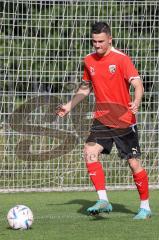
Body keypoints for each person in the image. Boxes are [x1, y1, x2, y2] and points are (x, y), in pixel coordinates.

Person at [56, 22, 151, 219]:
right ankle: (103, 199)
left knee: (134, 164)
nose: (97, 45)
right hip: (101, 119)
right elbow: (85, 88)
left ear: (110, 40)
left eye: (101, 41)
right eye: (94, 41)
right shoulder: (89, 60)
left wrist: (136, 100)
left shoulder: (122, 60)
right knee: (89, 151)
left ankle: (145, 207)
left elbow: (138, 83)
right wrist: (68, 105)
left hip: (124, 120)